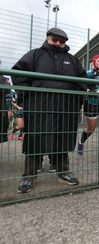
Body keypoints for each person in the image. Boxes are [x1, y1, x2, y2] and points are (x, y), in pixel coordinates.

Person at [11, 27, 87, 193]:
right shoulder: (35, 54)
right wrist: (27, 96)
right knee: (34, 139)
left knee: (62, 137)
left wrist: (77, 100)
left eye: (62, 41)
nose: (58, 43)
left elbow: (83, 81)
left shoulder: (72, 59)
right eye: (55, 40)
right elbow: (18, 72)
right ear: (47, 38)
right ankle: (28, 176)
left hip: (65, 107)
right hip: (39, 106)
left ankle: (63, 172)